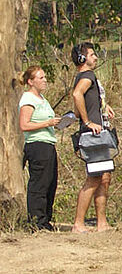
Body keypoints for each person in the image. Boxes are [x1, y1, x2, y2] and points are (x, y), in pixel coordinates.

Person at [71, 42, 115, 233]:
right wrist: (88, 122)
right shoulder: (87, 76)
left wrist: (103, 106)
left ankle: (101, 223)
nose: (96, 57)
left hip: (98, 132)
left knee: (104, 177)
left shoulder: (88, 77)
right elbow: (76, 94)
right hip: (93, 134)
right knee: (95, 177)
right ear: (82, 59)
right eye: (91, 54)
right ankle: (78, 224)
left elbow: (79, 105)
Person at [18, 66, 61, 231]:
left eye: (44, 77)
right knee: (39, 184)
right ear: (30, 81)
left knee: (50, 183)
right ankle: (36, 222)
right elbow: (24, 125)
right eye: (41, 78)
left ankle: (45, 220)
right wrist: (47, 123)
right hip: (37, 145)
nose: (44, 81)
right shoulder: (28, 99)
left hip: (48, 143)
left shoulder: (42, 99)